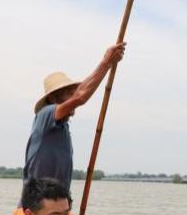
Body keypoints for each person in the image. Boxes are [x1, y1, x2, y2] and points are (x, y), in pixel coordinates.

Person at [24, 42, 126, 192]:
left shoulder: (63, 127)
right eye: (68, 94)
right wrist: (106, 63)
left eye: (73, 92)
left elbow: (81, 92)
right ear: (53, 99)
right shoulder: (45, 115)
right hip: (37, 207)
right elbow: (80, 97)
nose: (73, 96)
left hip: (57, 204)